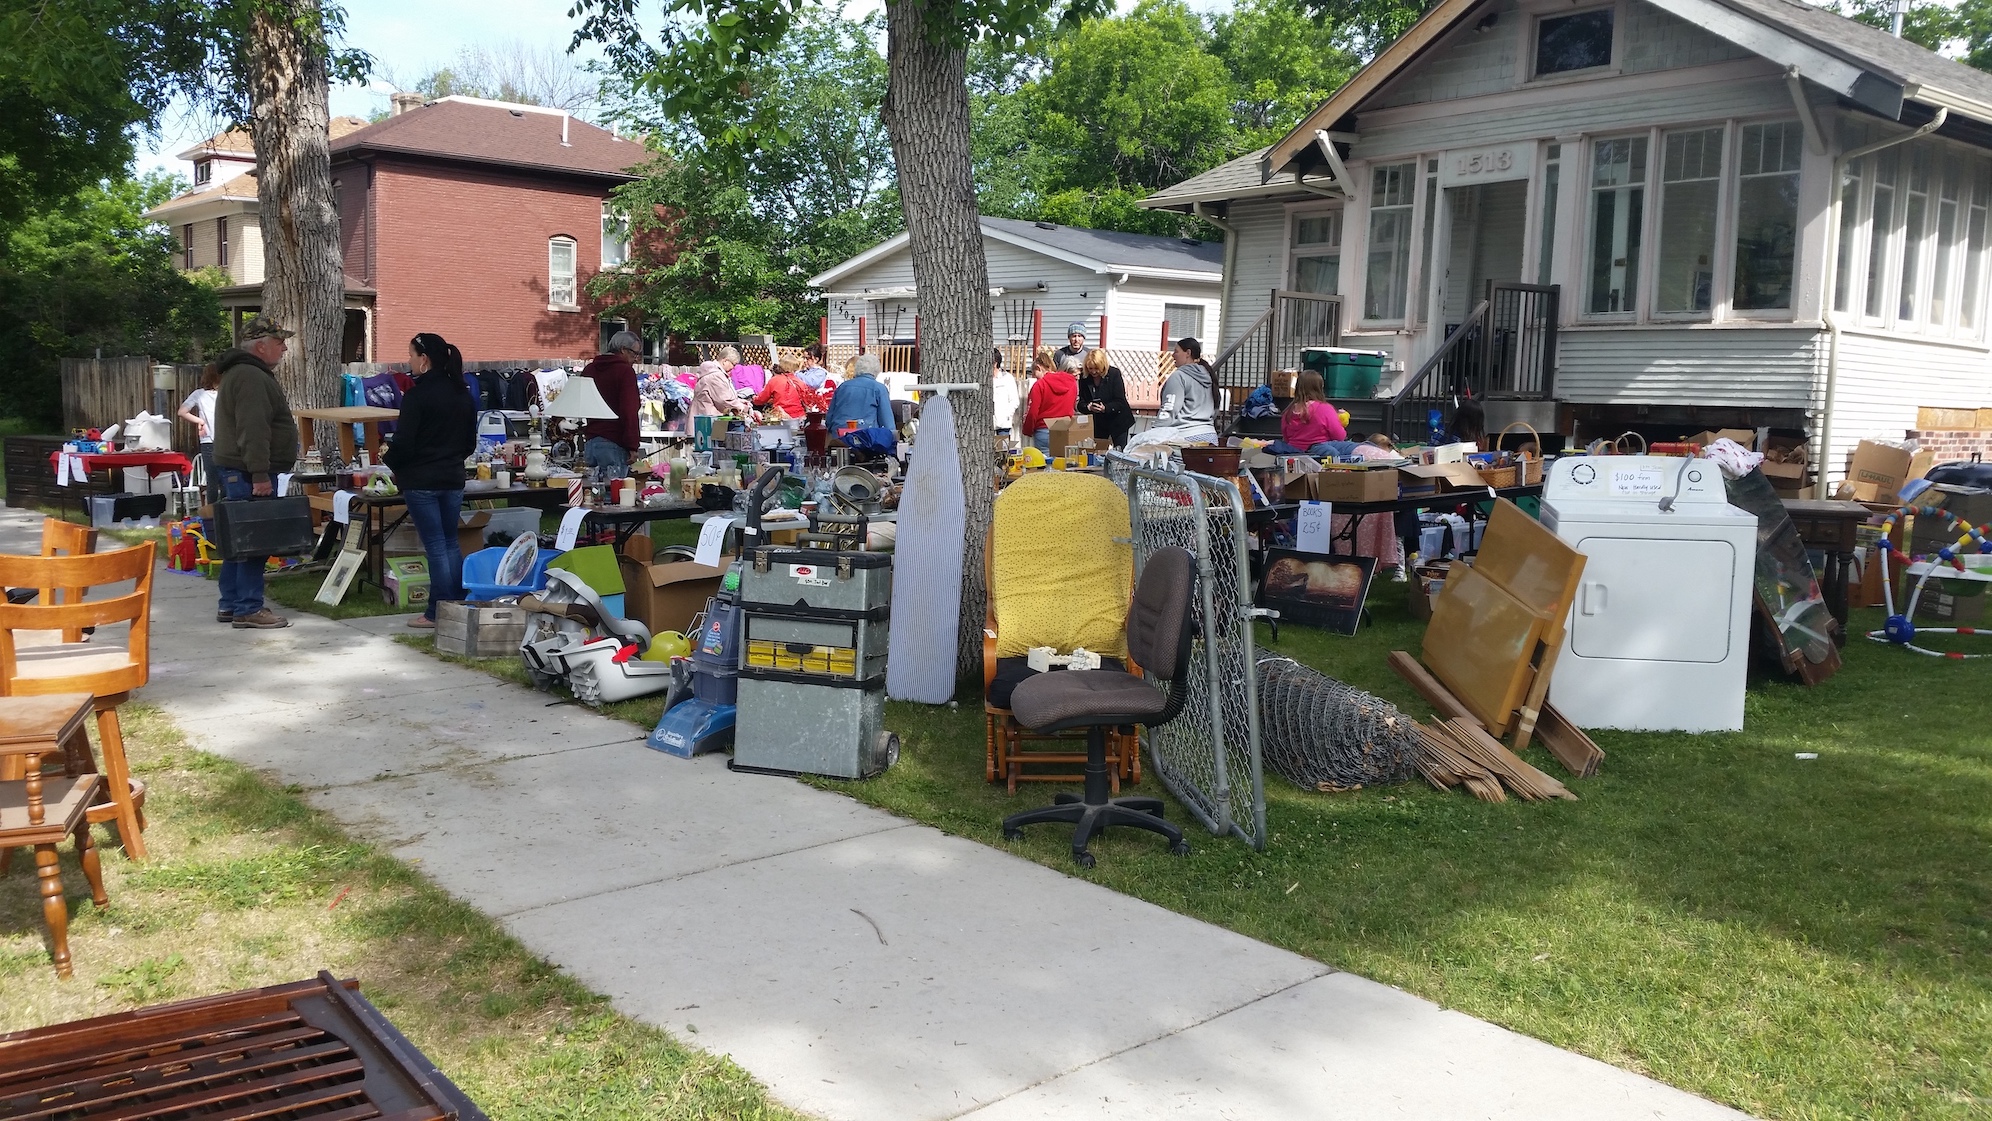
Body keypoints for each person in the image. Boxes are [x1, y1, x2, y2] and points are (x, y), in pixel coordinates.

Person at [384, 333, 478, 629]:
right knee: (450, 543)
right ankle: (458, 604)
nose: (408, 361)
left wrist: (390, 461)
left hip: (421, 478)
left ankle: (437, 611)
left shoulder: (416, 396)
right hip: (452, 476)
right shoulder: (462, 393)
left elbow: (405, 442)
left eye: (411, 355)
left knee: (436, 545)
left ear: (424, 359)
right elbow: (469, 443)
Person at [212, 314, 299, 630]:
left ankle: (232, 603)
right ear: (261, 346)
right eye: (279, 342)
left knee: (239, 539)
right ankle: (248, 608)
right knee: (253, 540)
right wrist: (260, 475)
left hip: (238, 469)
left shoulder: (241, 373)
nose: (284, 349)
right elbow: (253, 429)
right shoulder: (251, 376)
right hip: (249, 472)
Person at [1128, 337, 1218, 451]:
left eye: (1176, 351)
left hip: (1186, 439)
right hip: (1210, 437)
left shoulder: (1179, 376)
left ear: (1188, 353)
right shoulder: (1208, 376)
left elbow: (1169, 409)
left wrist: (1154, 433)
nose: (1172, 355)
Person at [575, 330, 643, 478]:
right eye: (634, 354)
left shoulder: (589, 370)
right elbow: (629, 410)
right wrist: (633, 446)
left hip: (591, 443)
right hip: (614, 442)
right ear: (623, 350)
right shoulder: (625, 371)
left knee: (592, 495)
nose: (636, 359)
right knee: (614, 495)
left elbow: (581, 403)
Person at [1269, 370, 1354, 459]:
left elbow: (1286, 438)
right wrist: (1340, 422)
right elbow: (1340, 436)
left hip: (1293, 453)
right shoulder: (1325, 409)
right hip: (1320, 454)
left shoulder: (1288, 412)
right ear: (1319, 388)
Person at [177, 365, 221, 502]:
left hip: (208, 441)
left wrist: (200, 421)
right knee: (227, 478)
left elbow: (182, 412)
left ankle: (212, 515)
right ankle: (227, 512)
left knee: (212, 480)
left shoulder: (199, 394)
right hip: (226, 440)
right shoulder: (226, 393)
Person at [1022, 345, 1077, 453]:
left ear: (1038, 367)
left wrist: (1027, 430)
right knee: (1063, 464)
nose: (1034, 377)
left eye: (1034, 374)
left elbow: (1032, 412)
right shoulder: (1071, 382)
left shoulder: (1039, 385)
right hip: (1065, 429)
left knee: (1045, 465)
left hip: (1043, 430)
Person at [1077, 348, 1134, 450]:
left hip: (1118, 420)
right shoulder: (1084, 378)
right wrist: (1088, 407)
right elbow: (1081, 403)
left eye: (1096, 368)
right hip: (1098, 423)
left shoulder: (1114, 374)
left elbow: (1120, 401)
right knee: (1098, 451)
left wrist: (1105, 408)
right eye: (1090, 368)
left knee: (1119, 452)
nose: (1093, 372)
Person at [826, 353, 894, 433]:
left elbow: (829, 420)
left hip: (838, 437)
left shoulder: (842, 387)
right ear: (876, 371)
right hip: (866, 438)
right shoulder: (879, 389)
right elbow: (888, 424)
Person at [990, 348, 1019, 448]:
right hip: (986, 426)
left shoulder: (1007, 378)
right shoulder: (983, 380)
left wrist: (1006, 416)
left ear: (995, 363)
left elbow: (1015, 401)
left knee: (1002, 457)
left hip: (1003, 426)